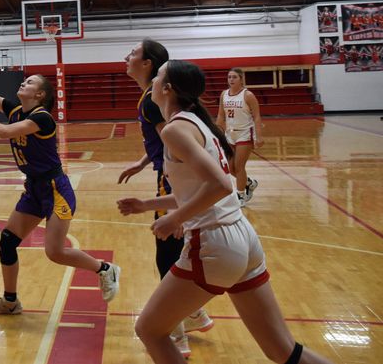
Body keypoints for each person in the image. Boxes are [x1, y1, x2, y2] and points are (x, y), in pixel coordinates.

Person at [118, 60, 333, 364]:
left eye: (158, 76)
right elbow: (204, 191)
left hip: (213, 243)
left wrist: (174, 218)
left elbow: (220, 185)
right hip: (242, 238)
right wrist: (147, 205)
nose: (152, 81)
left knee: (149, 330)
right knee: (283, 350)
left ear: (167, 89)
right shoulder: (196, 121)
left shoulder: (175, 129)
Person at [0, 75, 120, 314]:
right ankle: (10, 302)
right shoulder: (17, 110)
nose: (23, 83)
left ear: (40, 95)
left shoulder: (42, 117)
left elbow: (5, 132)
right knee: (7, 243)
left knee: (55, 251)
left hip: (55, 190)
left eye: (30, 82)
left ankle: (104, 269)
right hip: (33, 189)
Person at [118, 39, 212, 355]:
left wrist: (180, 202)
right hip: (168, 177)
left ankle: (176, 332)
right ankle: (195, 314)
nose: (127, 57)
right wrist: (143, 161)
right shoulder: (150, 98)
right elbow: (165, 141)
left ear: (147, 64)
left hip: (171, 180)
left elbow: (174, 143)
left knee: (167, 254)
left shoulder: (151, 100)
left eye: (133, 53)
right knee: (173, 251)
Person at [216, 68, 263, 207]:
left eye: (234, 77)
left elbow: (257, 116)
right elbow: (220, 115)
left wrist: (259, 136)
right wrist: (217, 132)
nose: (231, 79)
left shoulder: (248, 95)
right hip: (229, 134)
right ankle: (249, 183)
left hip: (244, 133)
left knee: (239, 166)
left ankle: (241, 195)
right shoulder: (224, 94)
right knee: (230, 168)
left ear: (241, 79)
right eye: (229, 77)